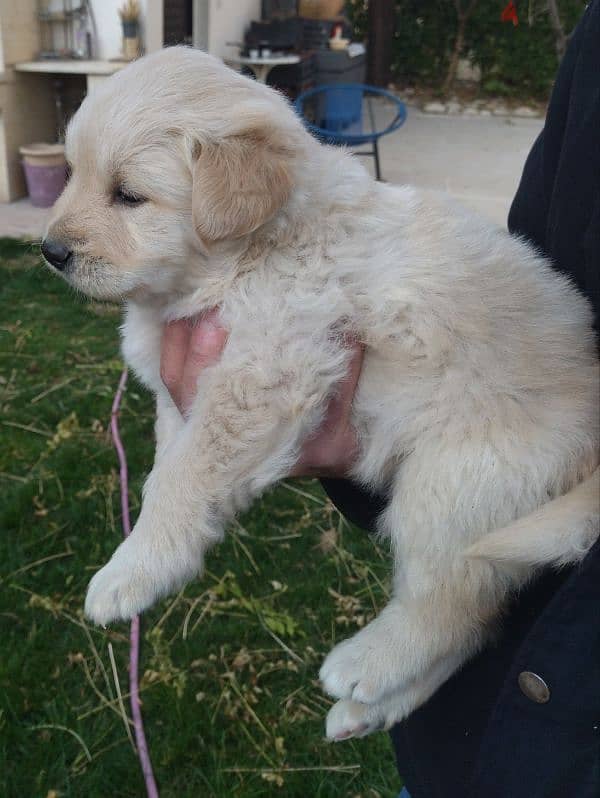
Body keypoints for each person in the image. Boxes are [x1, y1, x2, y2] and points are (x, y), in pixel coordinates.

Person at [159, 3, 599, 794]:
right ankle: (440, 636)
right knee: (454, 529)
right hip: (480, 726)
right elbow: (543, 256)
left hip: (563, 738)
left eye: (127, 193)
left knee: (457, 537)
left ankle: (436, 626)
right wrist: (366, 452)